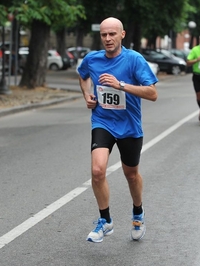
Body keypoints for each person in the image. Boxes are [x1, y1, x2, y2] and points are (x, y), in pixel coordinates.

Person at [77, 17, 158, 243]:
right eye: (104, 35)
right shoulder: (92, 59)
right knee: (97, 170)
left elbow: (152, 94)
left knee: (131, 175)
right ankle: (105, 220)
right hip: (102, 121)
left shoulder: (134, 60)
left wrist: (120, 85)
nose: (107, 39)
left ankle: (138, 213)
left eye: (112, 34)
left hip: (130, 126)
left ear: (122, 35)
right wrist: (87, 95)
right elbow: (82, 76)